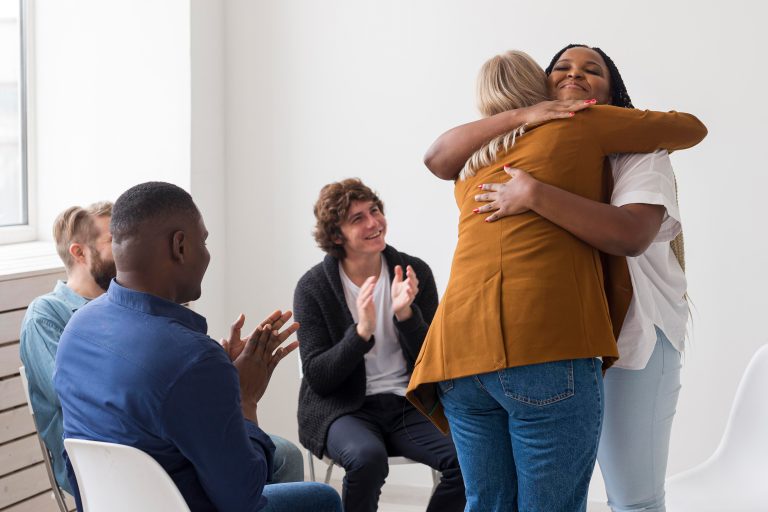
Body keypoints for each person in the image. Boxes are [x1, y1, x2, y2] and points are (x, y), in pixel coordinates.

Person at [406, 50, 707, 512]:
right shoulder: (576, 127)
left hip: (457, 357)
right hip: (545, 344)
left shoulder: (473, 164)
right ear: (541, 87)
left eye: (592, 70)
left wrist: (534, 190)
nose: (575, 76)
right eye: (562, 69)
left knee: (487, 503)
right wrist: (536, 117)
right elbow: (692, 128)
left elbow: (435, 157)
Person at [53, 182, 340, 512]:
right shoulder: (193, 359)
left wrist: (217, 382)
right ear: (180, 246)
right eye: (203, 241)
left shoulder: (77, 328)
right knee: (323, 498)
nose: (206, 253)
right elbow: (243, 500)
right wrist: (242, 397)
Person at [294, 179, 465, 512]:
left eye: (374, 210)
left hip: (406, 404)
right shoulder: (312, 287)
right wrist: (361, 333)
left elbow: (434, 361)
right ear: (335, 235)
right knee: (367, 459)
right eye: (357, 218)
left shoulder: (416, 273)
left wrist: (406, 315)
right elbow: (318, 377)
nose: (374, 222)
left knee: (468, 459)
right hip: (344, 409)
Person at [20, 201, 115, 494]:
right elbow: (75, 397)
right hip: (96, 468)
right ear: (79, 252)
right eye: (115, 240)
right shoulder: (46, 316)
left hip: (144, 451)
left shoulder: (121, 306)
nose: (127, 248)